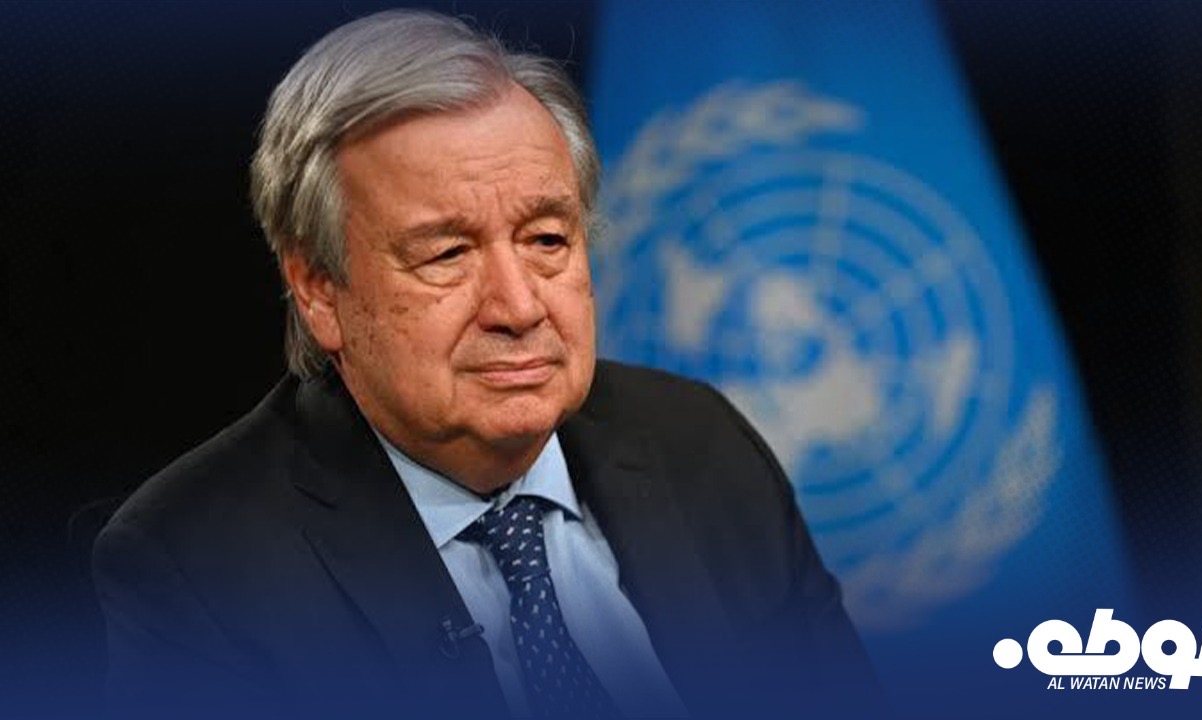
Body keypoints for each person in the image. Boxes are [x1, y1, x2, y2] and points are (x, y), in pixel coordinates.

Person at [92, 9, 881, 719]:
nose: (519, 306)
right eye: (447, 253)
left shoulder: (701, 443)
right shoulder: (197, 568)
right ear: (319, 289)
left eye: (547, 240)